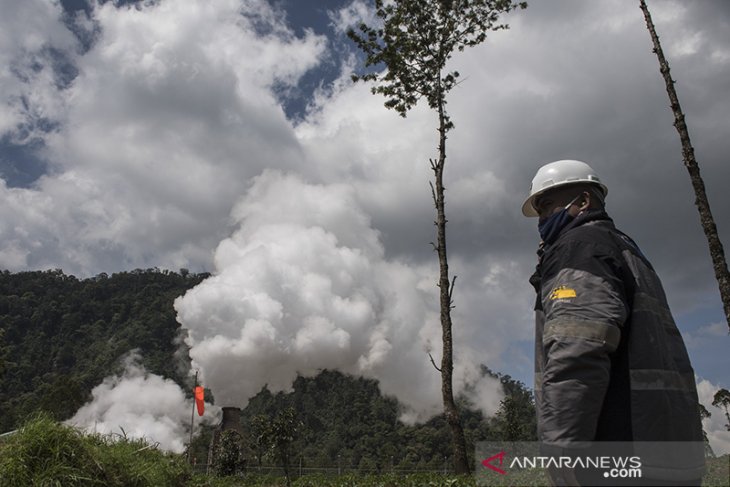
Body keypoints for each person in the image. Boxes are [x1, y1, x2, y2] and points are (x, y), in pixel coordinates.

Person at [523, 160, 706, 486]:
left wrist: (561, 451)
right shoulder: (628, 252)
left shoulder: (580, 249)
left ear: (583, 201)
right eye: (539, 211)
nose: (542, 220)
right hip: (668, 454)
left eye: (548, 206)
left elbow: (577, 350)